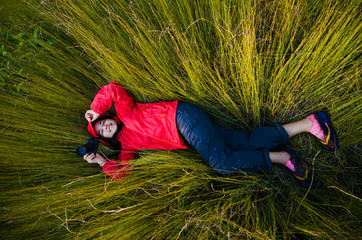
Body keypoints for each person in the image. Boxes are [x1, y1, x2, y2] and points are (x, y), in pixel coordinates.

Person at [83, 82, 338, 187]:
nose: (103, 126)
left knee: (222, 163)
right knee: (243, 142)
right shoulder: (126, 146)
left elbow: (112, 89)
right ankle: (309, 123)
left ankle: (283, 158)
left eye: (102, 122)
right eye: (100, 131)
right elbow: (124, 174)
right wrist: (103, 162)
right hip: (189, 135)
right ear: (104, 138)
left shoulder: (127, 113)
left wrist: (94, 110)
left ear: (108, 117)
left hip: (183, 118)